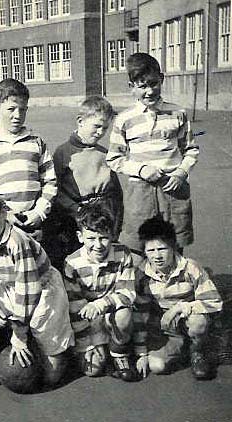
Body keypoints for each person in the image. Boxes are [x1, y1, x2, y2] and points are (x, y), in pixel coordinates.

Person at [0, 188, 74, 394]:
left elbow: (30, 290)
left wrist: (19, 335)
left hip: (44, 291)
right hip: (14, 287)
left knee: (51, 377)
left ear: (3, 212)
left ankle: (57, 350)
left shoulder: (18, 242)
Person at [106, 52, 199, 256]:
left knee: (173, 244)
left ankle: (175, 286)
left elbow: (191, 150)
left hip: (173, 188)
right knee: (139, 246)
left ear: (162, 79)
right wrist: (141, 169)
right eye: (142, 86)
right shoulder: (124, 119)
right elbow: (114, 158)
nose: (149, 91)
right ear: (132, 87)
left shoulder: (178, 113)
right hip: (140, 191)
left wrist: (180, 173)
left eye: (153, 84)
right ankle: (143, 286)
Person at [133, 216, 223, 380]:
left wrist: (179, 307)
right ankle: (182, 349)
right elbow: (139, 315)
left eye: (162, 249)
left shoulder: (190, 267)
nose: (157, 256)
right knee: (157, 366)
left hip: (188, 320)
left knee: (198, 322)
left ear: (173, 247)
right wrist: (141, 353)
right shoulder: (142, 274)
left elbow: (214, 302)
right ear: (144, 252)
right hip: (164, 329)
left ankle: (198, 350)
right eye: (151, 251)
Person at [43, 95, 123, 270]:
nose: (100, 132)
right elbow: (55, 189)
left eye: (105, 128)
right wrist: (76, 210)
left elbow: (116, 194)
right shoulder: (63, 153)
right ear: (80, 121)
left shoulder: (105, 154)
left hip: (103, 215)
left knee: (103, 259)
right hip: (74, 218)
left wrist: (115, 224)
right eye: (96, 126)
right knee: (75, 262)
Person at [0, 78, 57, 240]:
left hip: (33, 222)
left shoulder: (36, 141)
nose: (17, 115)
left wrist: (39, 212)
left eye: (22, 110)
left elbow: (50, 181)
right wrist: (4, 213)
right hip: (1, 223)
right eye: (11, 109)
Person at [63, 205, 138, 381]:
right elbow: (75, 308)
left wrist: (101, 303)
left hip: (111, 312)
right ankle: (101, 348)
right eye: (91, 238)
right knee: (93, 370)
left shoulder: (123, 253)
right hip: (87, 321)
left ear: (112, 235)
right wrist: (87, 345)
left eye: (104, 238)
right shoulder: (72, 263)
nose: (98, 245)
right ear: (80, 237)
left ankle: (119, 354)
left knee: (124, 314)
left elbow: (127, 293)